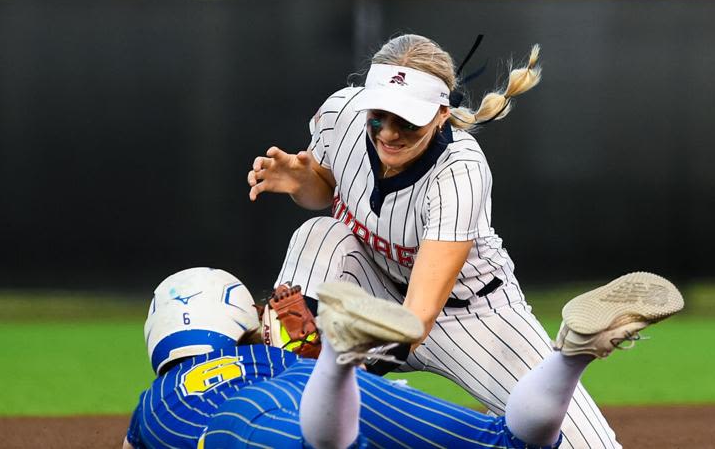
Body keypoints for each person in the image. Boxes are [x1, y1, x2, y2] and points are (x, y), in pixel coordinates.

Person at [246, 34, 622, 447]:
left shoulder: (461, 169)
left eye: (408, 121)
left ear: (441, 115)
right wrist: (304, 183)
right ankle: (282, 387)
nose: (389, 132)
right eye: (380, 116)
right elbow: (325, 188)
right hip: (374, 284)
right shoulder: (342, 113)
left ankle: (336, 378)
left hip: (472, 315)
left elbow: (419, 318)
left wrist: (353, 368)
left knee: (588, 445)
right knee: (319, 234)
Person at [125, 267, 684, 448]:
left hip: (231, 429)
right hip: (312, 386)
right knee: (507, 444)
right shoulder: (271, 356)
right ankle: (572, 352)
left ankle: (342, 355)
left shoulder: (152, 406)